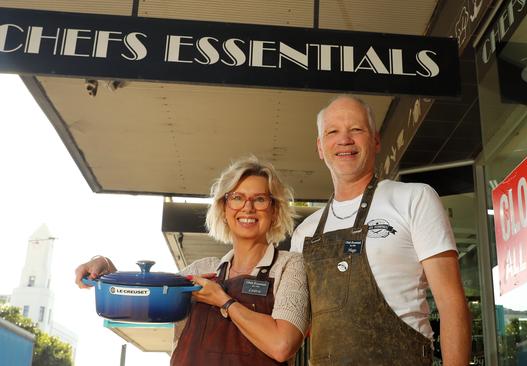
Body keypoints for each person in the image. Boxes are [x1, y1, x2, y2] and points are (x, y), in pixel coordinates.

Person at [75, 156, 309, 365]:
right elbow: (144, 296)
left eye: (259, 199)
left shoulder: (289, 266)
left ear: (275, 210)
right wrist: (107, 267)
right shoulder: (202, 269)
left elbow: (282, 346)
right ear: (224, 209)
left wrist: (224, 302)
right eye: (237, 198)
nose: (247, 207)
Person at [291, 95, 471, 365]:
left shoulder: (414, 198)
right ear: (320, 147)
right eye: (333, 132)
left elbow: (452, 303)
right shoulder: (304, 232)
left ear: (375, 141)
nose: (345, 140)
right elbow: (294, 326)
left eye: (356, 130)